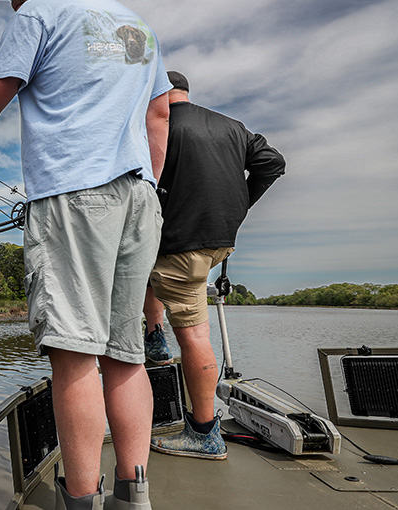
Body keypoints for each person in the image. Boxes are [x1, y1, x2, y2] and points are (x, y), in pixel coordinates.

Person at [0, 1, 170, 508]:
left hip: (74, 196)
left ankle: (83, 501)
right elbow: (159, 115)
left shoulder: (40, 15)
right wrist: (150, 188)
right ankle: (135, 499)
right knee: (127, 358)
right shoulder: (137, 25)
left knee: (76, 359)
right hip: (141, 198)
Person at [145, 70, 285, 460]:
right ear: (186, 92)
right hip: (218, 240)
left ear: (157, 91)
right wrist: (240, 204)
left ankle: (204, 433)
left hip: (181, 245)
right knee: (142, 262)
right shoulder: (232, 126)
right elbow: (272, 162)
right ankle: (154, 336)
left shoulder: (157, 126)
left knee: (193, 336)